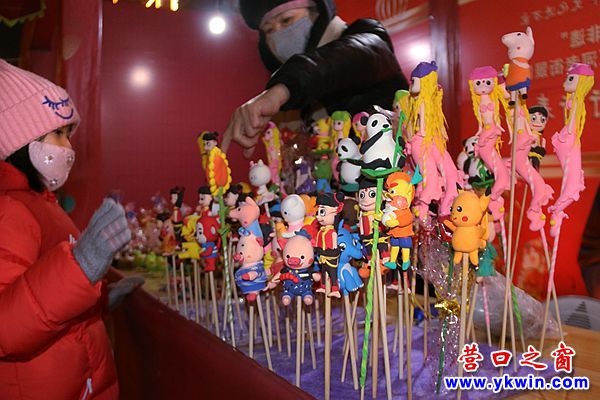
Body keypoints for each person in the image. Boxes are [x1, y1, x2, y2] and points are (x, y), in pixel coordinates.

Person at [0, 60, 138, 399]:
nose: (68, 147)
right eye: (59, 134)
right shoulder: (9, 213)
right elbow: (6, 326)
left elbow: (47, 300)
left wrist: (99, 300)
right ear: (21, 141)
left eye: (68, 134)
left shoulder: (42, 204)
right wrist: (82, 266)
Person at [221, 0, 408, 157]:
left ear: (318, 13)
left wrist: (282, 89)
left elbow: (344, 58)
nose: (278, 33)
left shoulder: (366, 36)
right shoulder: (298, 99)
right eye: (269, 30)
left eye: (286, 20)